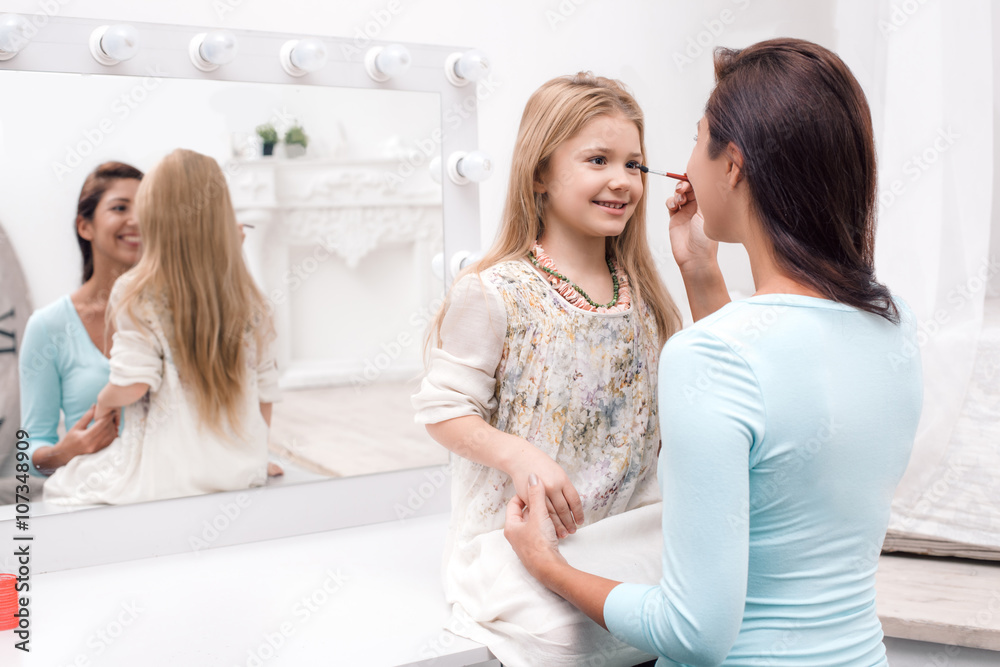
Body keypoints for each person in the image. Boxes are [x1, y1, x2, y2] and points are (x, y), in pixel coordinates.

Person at [505, 38, 923, 666]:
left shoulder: (707, 356)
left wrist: (547, 565)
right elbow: (771, 398)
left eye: (697, 140)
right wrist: (701, 270)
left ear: (732, 165)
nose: (682, 168)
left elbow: (692, 632)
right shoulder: (893, 324)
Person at [412, 73, 682, 664]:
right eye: (597, 160)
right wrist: (519, 455)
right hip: (515, 542)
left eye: (634, 164)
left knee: (701, 602)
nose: (622, 180)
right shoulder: (494, 293)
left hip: (632, 534)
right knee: (565, 636)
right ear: (539, 173)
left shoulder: (648, 300)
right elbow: (443, 410)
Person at [43, 149, 281, 505]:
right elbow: (266, 392)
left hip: (165, 475)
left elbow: (133, 384)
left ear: (154, 216)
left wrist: (105, 403)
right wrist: (255, 456)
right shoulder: (250, 299)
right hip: (236, 471)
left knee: (64, 486)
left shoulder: (137, 291)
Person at [19, 162, 143, 481]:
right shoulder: (48, 326)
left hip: (175, 497)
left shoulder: (178, 314)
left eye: (147, 208)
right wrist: (66, 451)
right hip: (91, 499)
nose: (137, 219)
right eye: (120, 207)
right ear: (85, 226)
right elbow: (30, 448)